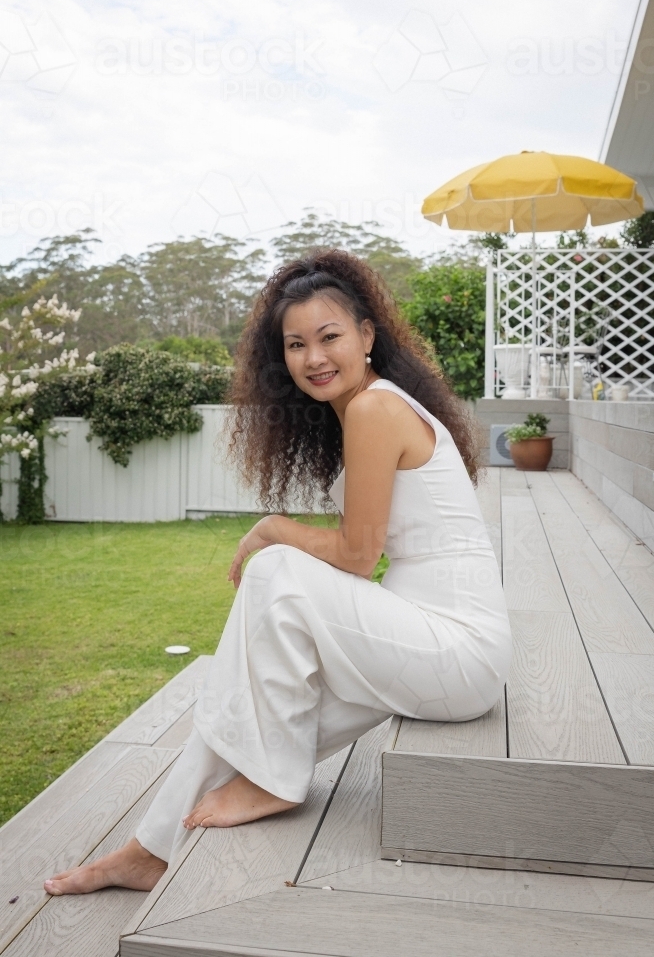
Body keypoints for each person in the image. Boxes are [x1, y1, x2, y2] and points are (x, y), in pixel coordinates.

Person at [44, 249, 511, 896]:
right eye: (295, 344)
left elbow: (355, 555)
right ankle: (147, 848)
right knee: (243, 709)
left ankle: (270, 781)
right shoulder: (365, 407)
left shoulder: (376, 410)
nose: (313, 357)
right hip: (428, 644)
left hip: (455, 651)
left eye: (329, 337)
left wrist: (269, 529)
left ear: (367, 335)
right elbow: (365, 560)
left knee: (273, 573)